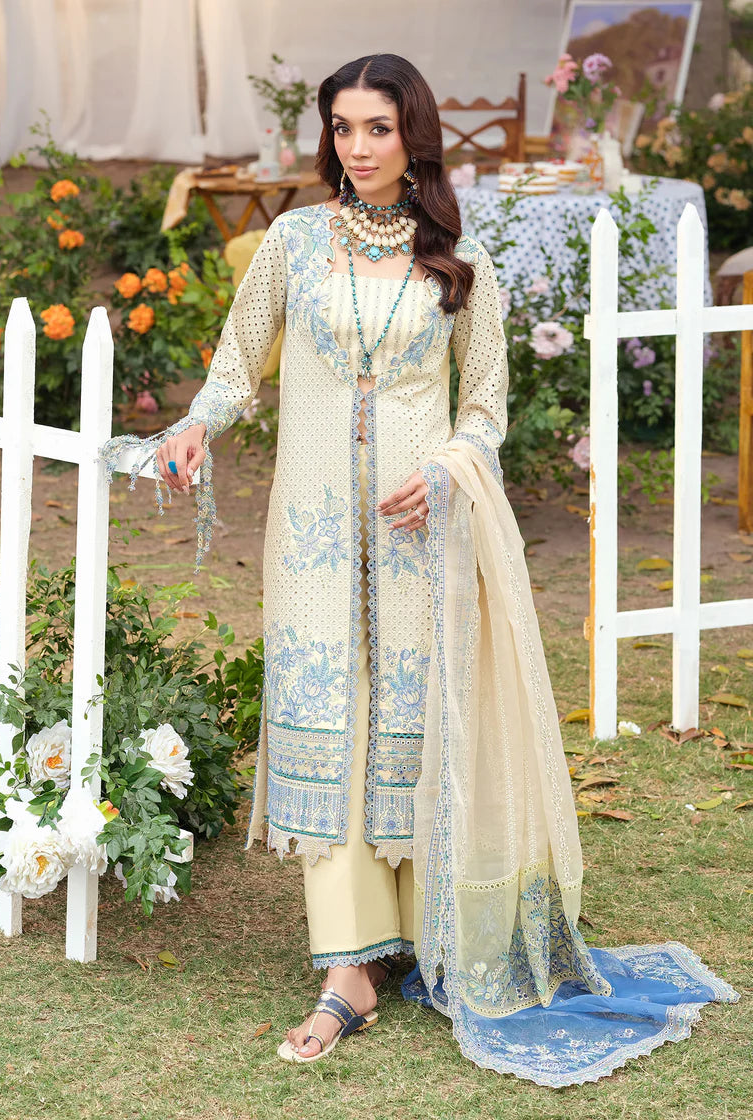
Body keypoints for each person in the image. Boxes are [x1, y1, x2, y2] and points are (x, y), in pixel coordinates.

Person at [99, 53, 738, 1085]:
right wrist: (192, 427)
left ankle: (406, 932)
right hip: (309, 529)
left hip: (416, 529)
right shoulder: (292, 243)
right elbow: (233, 361)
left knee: (405, 718)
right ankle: (346, 967)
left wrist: (447, 470)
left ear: (413, 138)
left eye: (377, 130)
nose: (357, 148)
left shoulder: (457, 257)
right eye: (342, 129)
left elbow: (482, 405)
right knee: (323, 709)